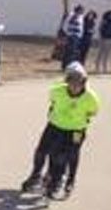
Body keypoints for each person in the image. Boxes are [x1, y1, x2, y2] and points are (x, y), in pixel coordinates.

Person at [22, 62, 101, 199]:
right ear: (67, 81)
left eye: (79, 83)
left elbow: (92, 112)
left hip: (76, 130)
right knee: (41, 151)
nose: (75, 86)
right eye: (71, 82)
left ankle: (61, 180)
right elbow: (52, 102)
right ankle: (36, 175)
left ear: (84, 82)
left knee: (65, 155)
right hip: (55, 125)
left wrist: (78, 121)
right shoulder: (57, 91)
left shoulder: (91, 98)